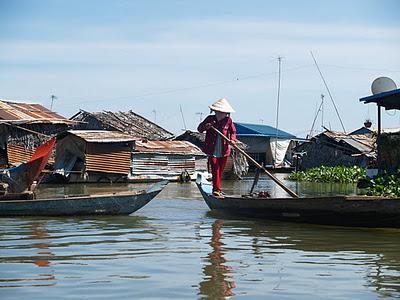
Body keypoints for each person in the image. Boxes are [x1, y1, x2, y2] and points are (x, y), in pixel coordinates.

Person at [197, 98, 236, 197]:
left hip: (224, 149)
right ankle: (216, 189)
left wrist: (232, 140)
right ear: (215, 111)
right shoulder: (210, 119)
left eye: (222, 112)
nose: (220, 114)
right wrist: (207, 127)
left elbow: (233, 132)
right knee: (215, 168)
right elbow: (200, 129)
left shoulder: (228, 121)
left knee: (220, 169)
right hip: (212, 148)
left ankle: (217, 187)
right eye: (218, 112)